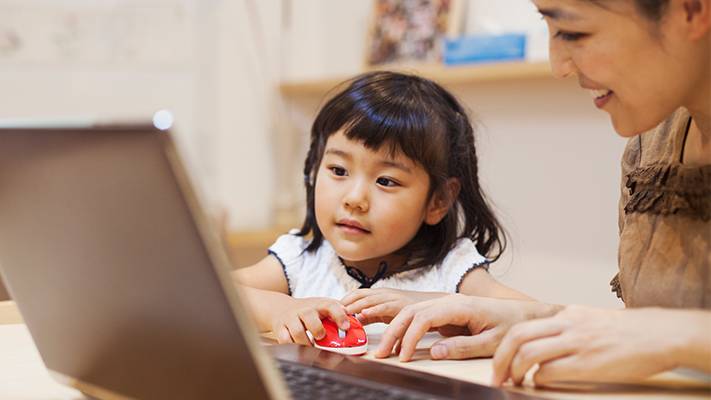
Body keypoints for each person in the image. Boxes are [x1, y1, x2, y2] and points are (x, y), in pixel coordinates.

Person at [372, 0, 711, 387]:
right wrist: (533, 319)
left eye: (573, 32)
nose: (558, 66)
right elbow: (647, 334)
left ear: (691, 10)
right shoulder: (651, 145)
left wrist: (669, 337)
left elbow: (658, 335)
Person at [232, 71, 529, 346]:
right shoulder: (302, 259)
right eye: (338, 170)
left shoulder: (452, 269)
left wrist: (445, 307)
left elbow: (534, 316)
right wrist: (280, 308)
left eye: (386, 180)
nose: (354, 198)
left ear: (438, 200)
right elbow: (214, 292)